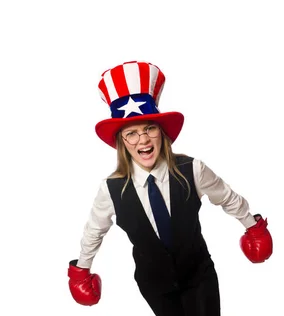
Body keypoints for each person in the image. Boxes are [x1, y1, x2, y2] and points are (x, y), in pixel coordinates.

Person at [66, 61, 273, 316]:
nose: (142, 139)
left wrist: (252, 226)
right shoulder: (111, 189)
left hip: (199, 277)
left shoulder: (193, 170)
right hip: (154, 284)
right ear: (122, 143)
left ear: (162, 133)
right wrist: (82, 270)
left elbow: (228, 198)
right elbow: (94, 230)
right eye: (131, 133)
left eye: (149, 128)